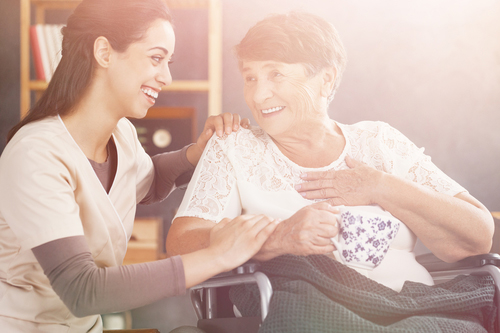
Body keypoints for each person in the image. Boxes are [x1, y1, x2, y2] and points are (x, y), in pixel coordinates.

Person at [167, 11, 494, 294]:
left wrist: (380, 186)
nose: (258, 94)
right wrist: (279, 237)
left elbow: (476, 235)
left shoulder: (380, 142)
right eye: (250, 77)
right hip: (301, 311)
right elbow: (181, 245)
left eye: (275, 74)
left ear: (325, 79)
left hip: (414, 307)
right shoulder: (233, 146)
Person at [0, 0, 278, 332]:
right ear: (103, 52)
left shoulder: (121, 136)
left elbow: (150, 180)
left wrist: (200, 152)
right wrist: (217, 256)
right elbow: (83, 291)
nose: (167, 76)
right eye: (156, 58)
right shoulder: (36, 154)